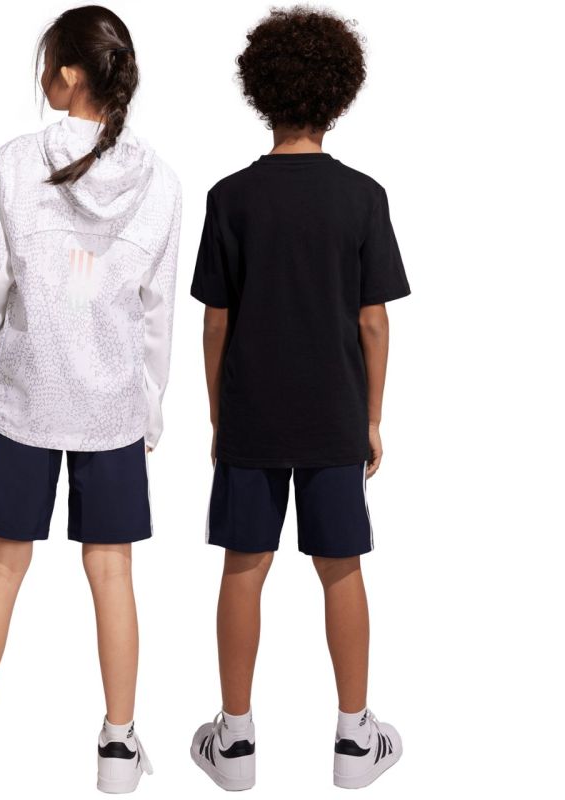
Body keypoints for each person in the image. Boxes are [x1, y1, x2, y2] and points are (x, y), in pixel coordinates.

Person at [0, 6, 181, 793]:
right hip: (113, 403)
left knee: (2, 564)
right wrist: (149, 409)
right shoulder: (162, 181)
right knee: (112, 571)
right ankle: (119, 749)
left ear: (71, 73)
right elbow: (156, 316)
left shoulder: (14, 162)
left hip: (26, 392)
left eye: (49, 62)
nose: (43, 74)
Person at [189, 6, 410, 791]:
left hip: (252, 413)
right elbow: (373, 322)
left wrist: (219, 414)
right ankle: (355, 741)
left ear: (260, 91)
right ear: (339, 94)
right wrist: (372, 417)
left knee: (243, 567)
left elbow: (216, 322)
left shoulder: (230, 197)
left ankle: (235, 743)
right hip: (334, 413)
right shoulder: (362, 197)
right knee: (340, 569)